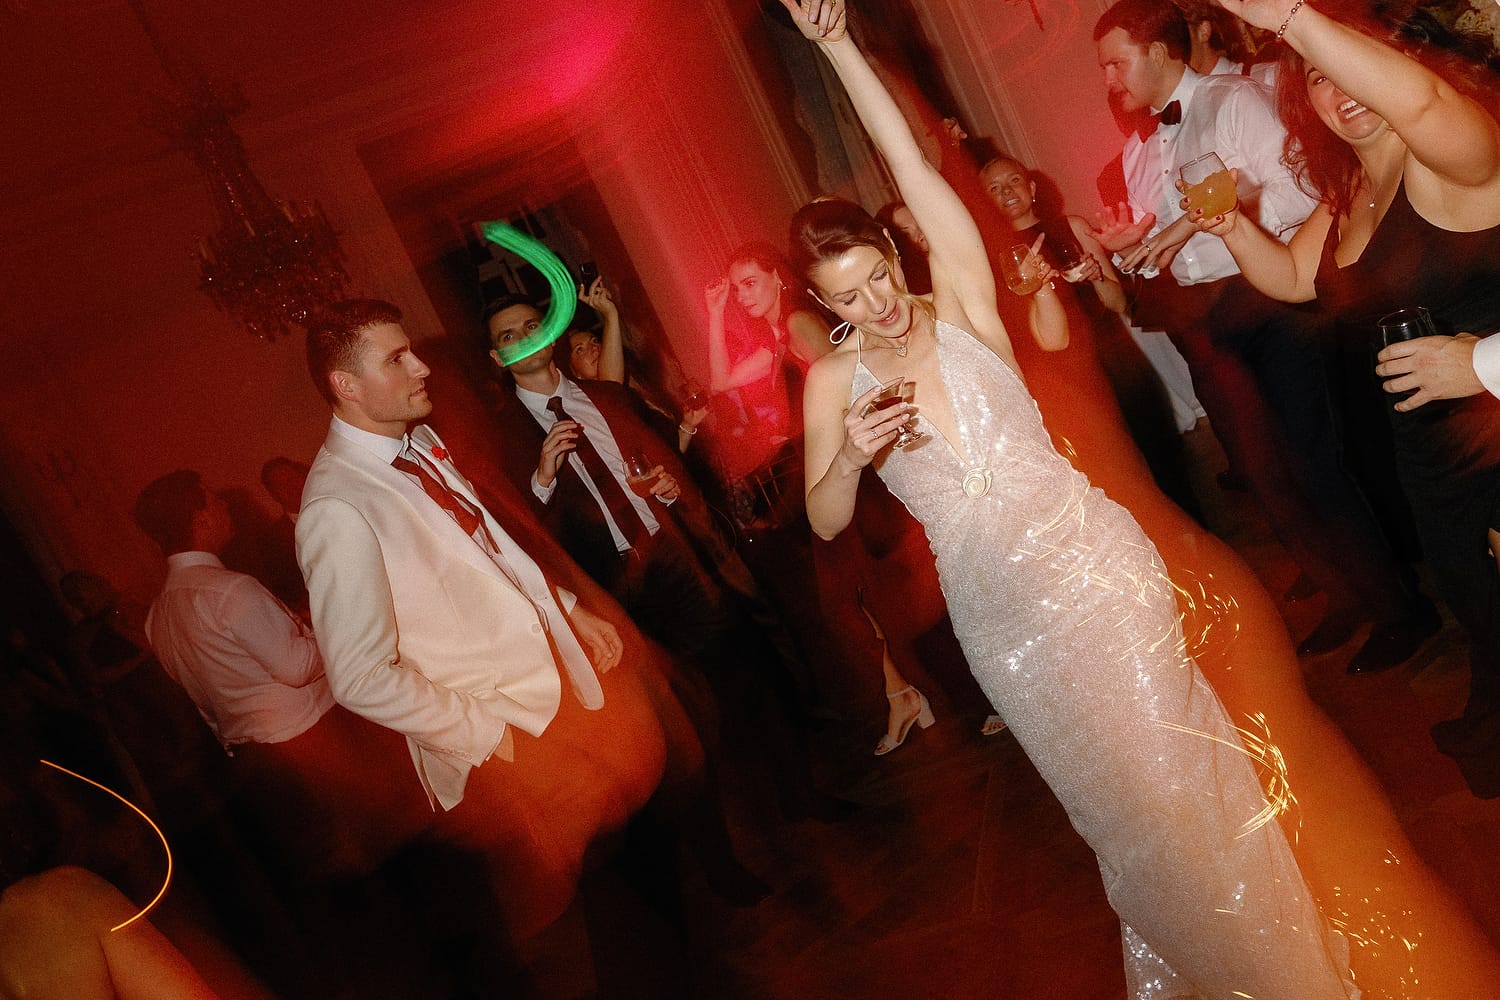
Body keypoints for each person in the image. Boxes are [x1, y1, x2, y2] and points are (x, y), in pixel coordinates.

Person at [782, 2, 1358, 994]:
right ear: (821, 304)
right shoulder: (833, 384)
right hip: (1002, 623)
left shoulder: (960, 302)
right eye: (848, 296)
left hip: (1096, 568)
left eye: (878, 274)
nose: (875, 304)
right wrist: (847, 462)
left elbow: (915, 168)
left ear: (893, 252)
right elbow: (826, 520)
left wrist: (838, 49)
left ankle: (1290, 972)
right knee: (1125, 821)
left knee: (1184, 774)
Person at [1184, 0, 1500, 795]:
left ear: (1400, 61)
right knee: (1473, 596)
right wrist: (1229, 227)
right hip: (1430, 448)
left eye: (1346, 65)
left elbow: (1423, 105)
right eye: (1317, 80)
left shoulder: (1451, 151)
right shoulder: (1352, 187)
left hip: (1493, 429)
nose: (1338, 90)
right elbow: (1295, 278)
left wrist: (1288, 15)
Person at [296, 298, 680, 939]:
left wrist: (569, 612)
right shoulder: (337, 506)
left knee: (637, 869)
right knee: (611, 910)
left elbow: (491, 550)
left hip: (556, 693)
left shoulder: (417, 442)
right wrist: (494, 737)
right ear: (347, 385)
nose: (421, 367)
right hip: (507, 736)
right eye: (397, 359)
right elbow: (360, 677)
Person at [1091, 0, 1439, 672]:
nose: (1108, 78)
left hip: (1267, 300)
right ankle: (1346, 596)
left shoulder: (1233, 102)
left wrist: (1223, 209)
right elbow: (1175, 234)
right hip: (1202, 318)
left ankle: (1402, 610)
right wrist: (1144, 241)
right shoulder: (1151, 141)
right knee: (1265, 476)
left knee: (1317, 465)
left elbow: (1304, 195)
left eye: (1115, 62)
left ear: (1159, 51)